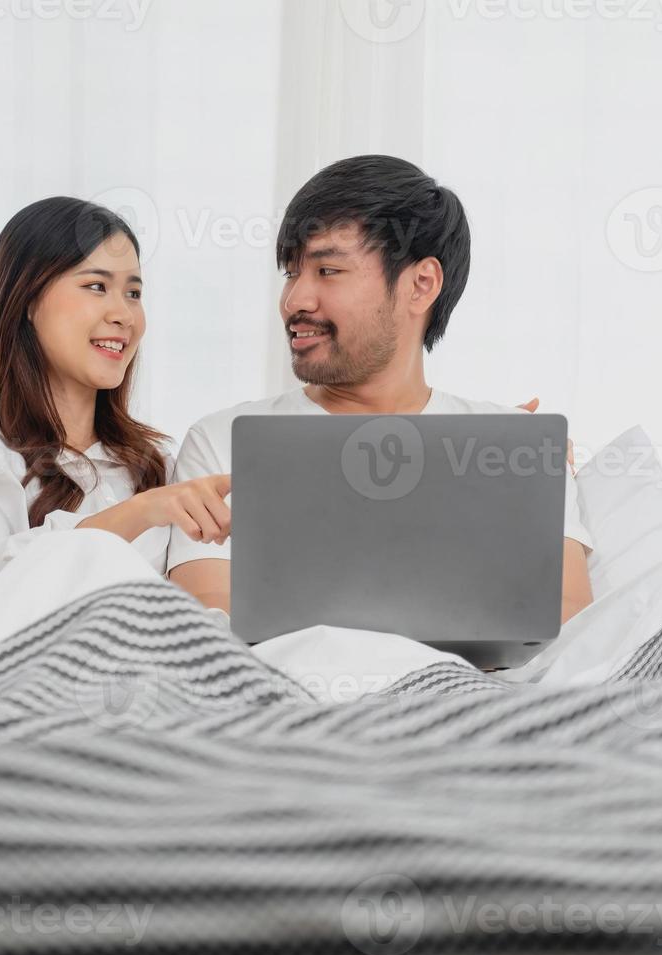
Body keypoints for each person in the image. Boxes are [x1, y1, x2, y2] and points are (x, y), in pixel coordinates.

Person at [167, 155, 596, 624]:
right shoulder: (223, 443)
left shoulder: (515, 449)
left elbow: (568, 622)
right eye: (291, 273)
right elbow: (205, 625)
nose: (294, 300)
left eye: (327, 271)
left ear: (421, 284)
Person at [0, 197, 231, 598]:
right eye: (96, 286)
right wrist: (139, 513)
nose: (124, 314)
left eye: (134, 293)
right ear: (28, 300)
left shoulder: (154, 469)